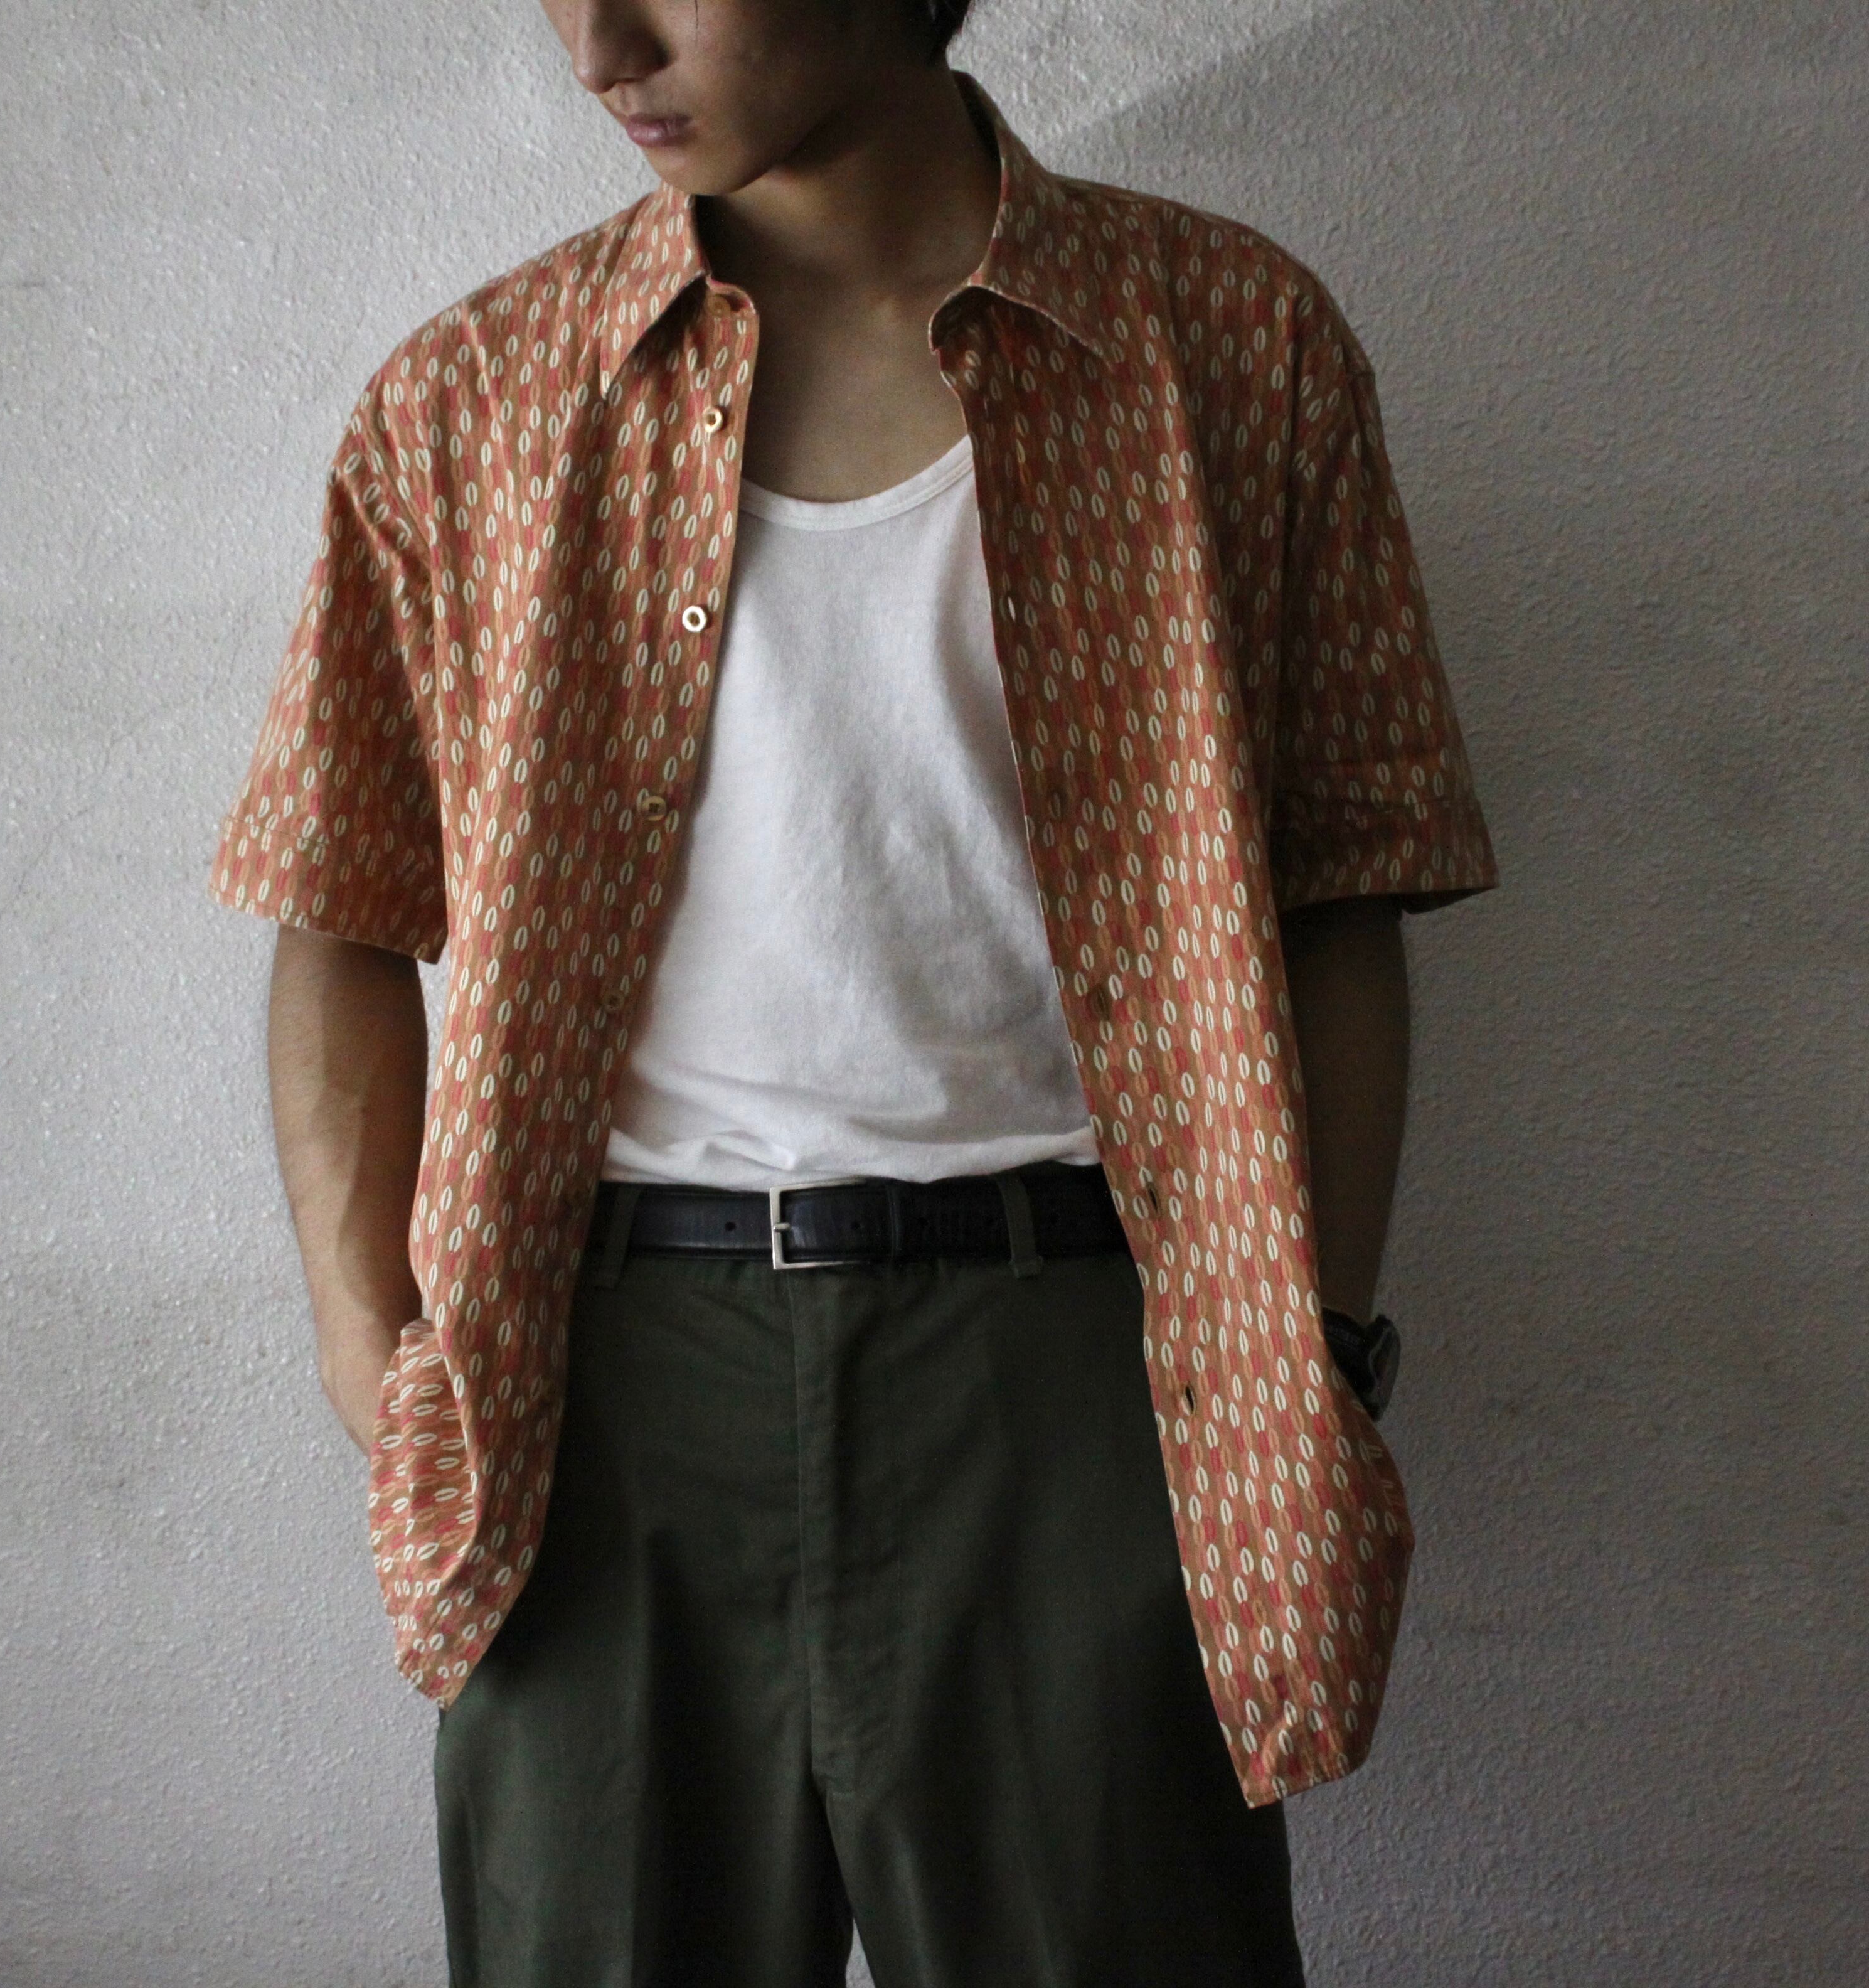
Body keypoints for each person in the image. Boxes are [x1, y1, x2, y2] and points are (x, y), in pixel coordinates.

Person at [209, 1, 1498, 1980]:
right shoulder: (474, 399)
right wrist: (379, 1359)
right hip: (591, 1402)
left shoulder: (1227, 344)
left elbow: (1344, 888)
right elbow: (338, 905)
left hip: (1083, 1382)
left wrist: (1301, 1356)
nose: (600, 46)